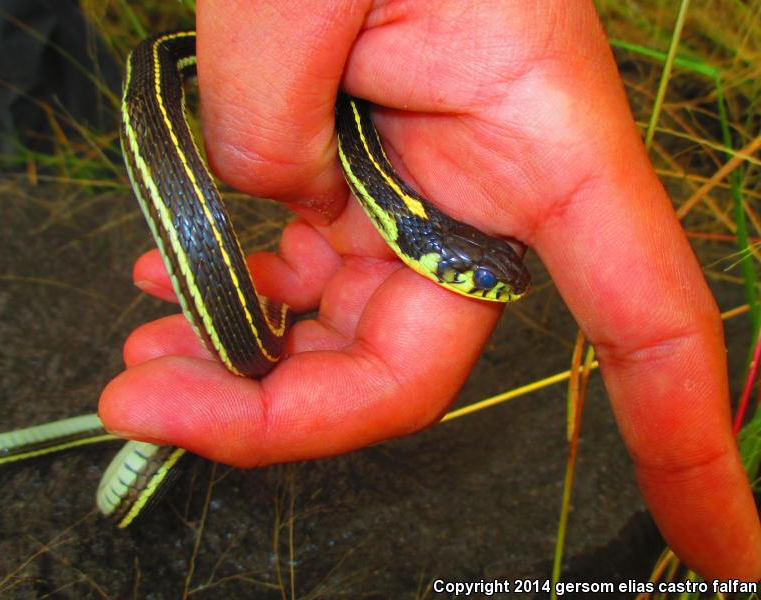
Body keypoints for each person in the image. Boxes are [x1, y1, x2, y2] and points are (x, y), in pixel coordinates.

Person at [99, 1, 761, 579]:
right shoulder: (382, 185)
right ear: (431, 251)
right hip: (170, 73)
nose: (493, 288)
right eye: (479, 277)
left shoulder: (392, 176)